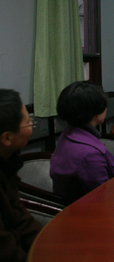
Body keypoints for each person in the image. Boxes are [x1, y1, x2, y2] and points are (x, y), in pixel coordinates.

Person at [50, 82, 114, 204]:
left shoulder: (69, 134)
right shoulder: (89, 154)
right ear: (96, 112)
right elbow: (105, 197)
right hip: (89, 214)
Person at [0, 89, 42, 261]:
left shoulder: (7, 164)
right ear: (7, 138)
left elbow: (20, 218)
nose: (31, 124)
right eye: (28, 122)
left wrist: (48, 246)